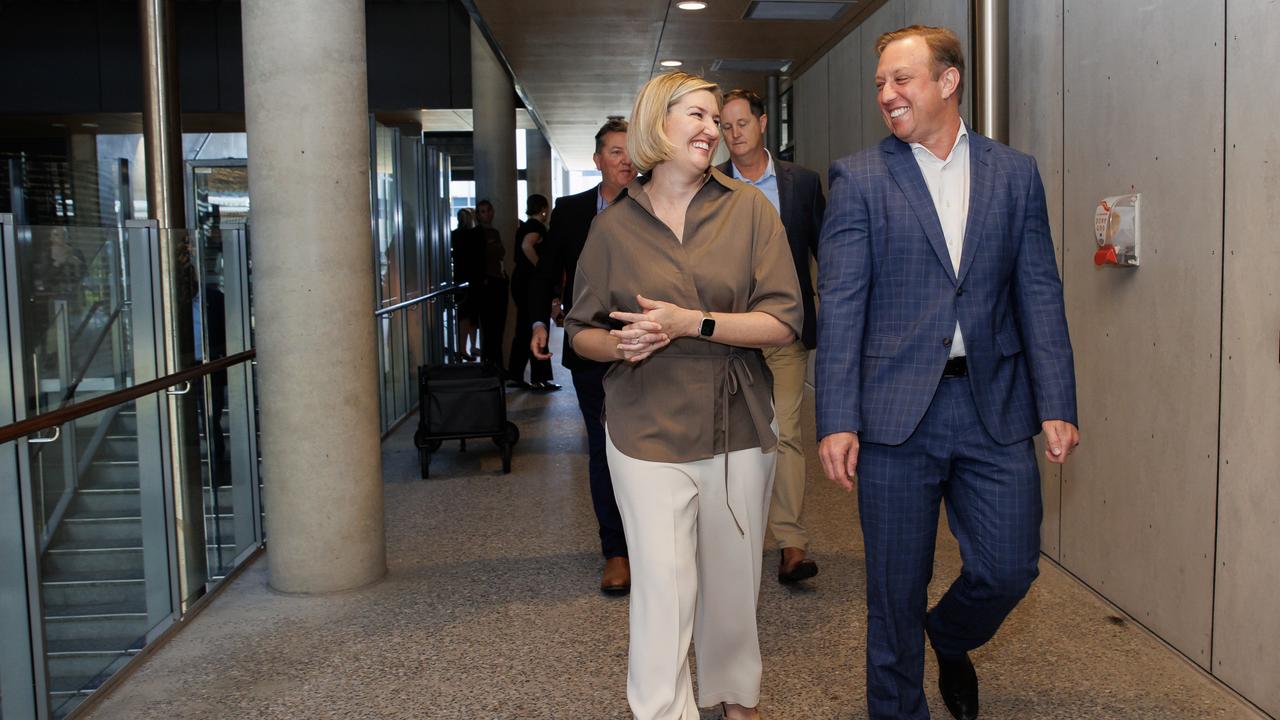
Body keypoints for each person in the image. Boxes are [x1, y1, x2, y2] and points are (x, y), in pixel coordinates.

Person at [815, 25, 1080, 720]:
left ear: (948, 81)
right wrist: (837, 416)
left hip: (993, 406)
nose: (887, 95)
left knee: (1009, 567)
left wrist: (1057, 401)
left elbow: (1039, 293)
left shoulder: (1013, 174)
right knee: (894, 593)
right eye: (879, 84)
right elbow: (840, 305)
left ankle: (951, 633)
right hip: (895, 416)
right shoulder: (859, 178)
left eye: (901, 79)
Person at [565, 71, 802, 720]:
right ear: (655, 127)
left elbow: (784, 320)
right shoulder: (614, 228)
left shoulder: (749, 208)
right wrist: (621, 346)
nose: (712, 129)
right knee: (663, 597)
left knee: (731, 590)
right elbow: (580, 332)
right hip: (644, 433)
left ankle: (734, 698)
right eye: (696, 115)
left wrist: (689, 322)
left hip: (737, 428)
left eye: (715, 119)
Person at [718, 88, 826, 585]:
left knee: (785, 434)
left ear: (762, 123)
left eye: (742, 123)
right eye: (725, 126)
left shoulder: (801, 183)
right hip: (729, 335)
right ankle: (734, 540)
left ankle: (791, 544)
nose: (734, 133)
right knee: (733, 439)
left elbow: (825, 251)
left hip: (785, 330)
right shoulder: (711, 185)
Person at [529, 118, 637, 594]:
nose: (625, 160)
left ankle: (654, 544)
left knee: (649, 452)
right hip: (592, 347)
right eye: (615, 152)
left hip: (649, 347)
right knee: (603, 448)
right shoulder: (573, 212)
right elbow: (547, 271)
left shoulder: (656, 205)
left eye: (631, 151)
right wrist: (538, 322)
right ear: (598, 161)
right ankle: (615, 550)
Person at [506, 195, 559, 391]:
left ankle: (516, 374)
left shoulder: (525, 226)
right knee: (538, 325)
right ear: (544, 209)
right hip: (531, 284)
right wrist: (541, 268)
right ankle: (540, 378)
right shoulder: (536, 228)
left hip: (521, 281)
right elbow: (526, 246)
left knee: (524, 328)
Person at [473, 199, 508, 371]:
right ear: (478, 215)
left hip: (499, 281)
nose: (486, 214)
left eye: (488, 210)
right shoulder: (477, 234)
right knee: (489, 327)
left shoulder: (494, 232)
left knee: (498, 327)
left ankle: (496, 366)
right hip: (488, 285)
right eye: (482, 211)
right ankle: (490, 367)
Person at [450, 207, 481, 359]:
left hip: (461, 279)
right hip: (470, 280)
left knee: (468, 316)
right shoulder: (473, 235)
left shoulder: (454, 235)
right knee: (468, 316)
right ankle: (465, 348)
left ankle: (467, 347)